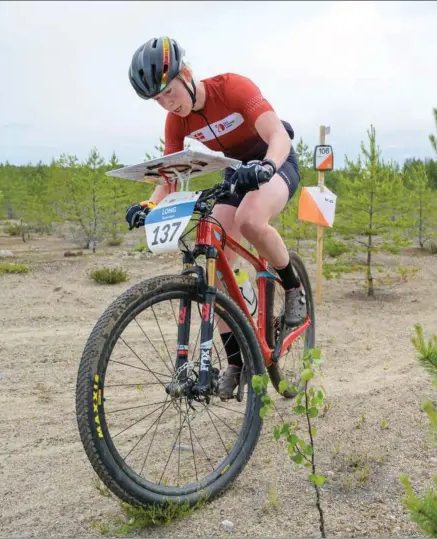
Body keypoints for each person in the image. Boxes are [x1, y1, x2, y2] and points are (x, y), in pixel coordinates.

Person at [125, 36, 307, 398]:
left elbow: (277, 135)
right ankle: (237, 361)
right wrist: (149, 206)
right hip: (237, 172)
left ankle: (292, 287)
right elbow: (170, 175)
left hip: (275, 161)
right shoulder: (174, 122)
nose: (167, 103)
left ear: (187, 74)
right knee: (215, 263)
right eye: (158, 99)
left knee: (252, 218)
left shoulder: (233, 88)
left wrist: (268, 166)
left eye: (169, 91)